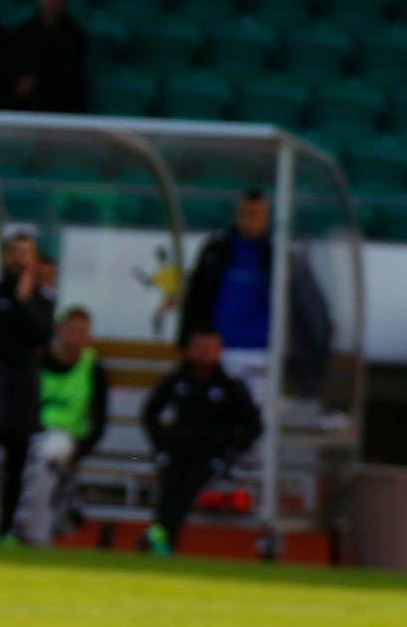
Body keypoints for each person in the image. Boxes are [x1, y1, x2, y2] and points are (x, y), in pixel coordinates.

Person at [177, 189, 333, 402]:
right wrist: (189, 339)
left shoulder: (280, 255)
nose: (251, 219)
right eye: (246, 213)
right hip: (218, 350)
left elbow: (307, 305)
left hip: (262, 350)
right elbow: (196, 296)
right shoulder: (217, 250)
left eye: (257, 214)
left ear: (267, 217)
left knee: (255, 413)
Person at [139, 331, 262, 555]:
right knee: (172, 485)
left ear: (219, 352)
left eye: (210, 349)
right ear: (190, 351)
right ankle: (162, 540)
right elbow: (150, 413)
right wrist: (161, 444)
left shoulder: (229, 386)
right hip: (177, 452)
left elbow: (253, 425)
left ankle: (160, 537)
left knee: (188, 487)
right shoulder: (178, 381)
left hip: (211, 456)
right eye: (200, 348)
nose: (205, 354)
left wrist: (231, 450)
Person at [0, 231, 54, 544]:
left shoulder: (42, 301)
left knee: (16, 467)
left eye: (25, 253)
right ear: (4, 257)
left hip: (21, 394)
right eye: (14, 252)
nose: (19, 259)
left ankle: (5, 530)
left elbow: (41, 336)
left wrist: (22, 304)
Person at [22, 307, 109, 546]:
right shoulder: (37, 360)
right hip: (29, 433)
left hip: (67, 438)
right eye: (72, 330)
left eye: (83, 331)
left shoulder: (93, 368)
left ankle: (36, 535)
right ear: (59, 329)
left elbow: (99, 421)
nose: (77, 336)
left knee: (47, 460)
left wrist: (80, 451)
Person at [11, 0, 88, 113]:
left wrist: (38, 81)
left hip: (63, 101)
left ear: (63, 1)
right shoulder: (25, 31)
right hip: (29, 105)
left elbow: (70, 69)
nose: (51, 2)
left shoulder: (74, 33)